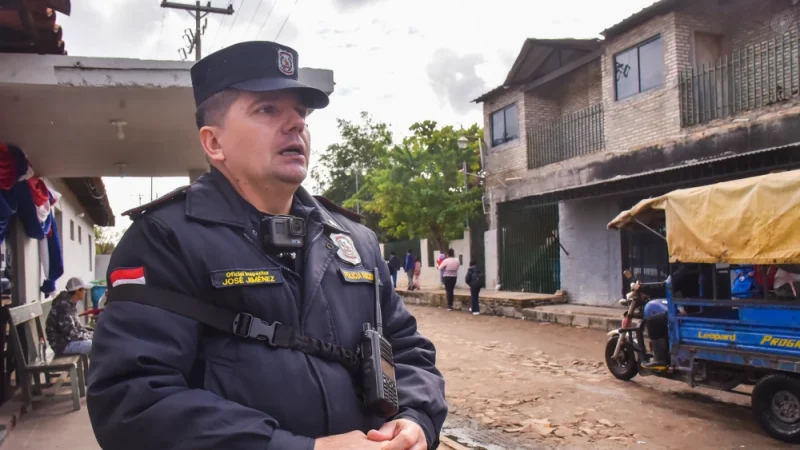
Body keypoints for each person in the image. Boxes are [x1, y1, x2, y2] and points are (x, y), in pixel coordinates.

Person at [86, 41, 446, 450]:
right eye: (267, 110)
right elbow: (131, 401)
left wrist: (417, 419)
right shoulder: (165, 240)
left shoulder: (354, 241)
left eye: (301, 114)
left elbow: (408, 350)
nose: (295, 123)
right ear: (214, 143)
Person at [45, 277, 93, 355]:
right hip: (62, 345)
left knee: (97, 342)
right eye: (84, 290)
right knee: (96, 345)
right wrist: (91, 337)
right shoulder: (64, 306)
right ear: (77, 291)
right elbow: (70, 334)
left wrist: (92, 334)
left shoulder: (70, 303)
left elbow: (77, 328)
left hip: (67, 341)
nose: (85, 292)